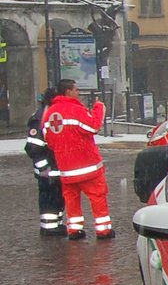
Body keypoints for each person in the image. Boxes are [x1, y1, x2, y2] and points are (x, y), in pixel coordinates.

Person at [42, 78, 113, 241]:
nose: (78, 93)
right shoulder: (75, 110)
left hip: (66, 168)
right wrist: (99, 108)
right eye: (76, 90)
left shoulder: (50, 113)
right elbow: (93, 126)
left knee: (71, 200)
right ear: (68, 91)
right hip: (87, 166)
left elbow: (49, 140)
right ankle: (103, 231)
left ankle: (74, 230)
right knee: (97, 197)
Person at [23, 90, 66, 236]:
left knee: (57, 198)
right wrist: (44, 168)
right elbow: (33, 147)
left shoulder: (49, 114)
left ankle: (56, 225)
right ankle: (49, 227)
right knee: (49, 199)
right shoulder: (39, 117)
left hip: (54, 168)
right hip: (46, 171)